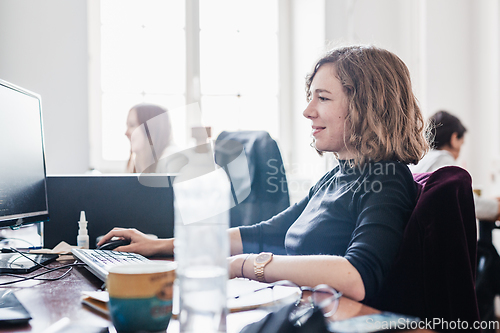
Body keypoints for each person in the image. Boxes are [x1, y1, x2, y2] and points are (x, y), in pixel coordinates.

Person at [98, 45, 429, 303]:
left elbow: (357, 276)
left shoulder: (386, 181)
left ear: (366, 107)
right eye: (309, 96)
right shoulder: (338, 177)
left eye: (323, 98)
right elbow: (262, 233)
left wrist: (246, 266)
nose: (307, 110)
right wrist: (162, 245)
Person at [409, 110, 500, 221]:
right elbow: (468, 203)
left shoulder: (422, 160)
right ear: (454, 138)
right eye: (461, 143)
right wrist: (496, 207)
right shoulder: (444, 163)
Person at [125, 103, 185, 174]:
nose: (126, 133)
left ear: (151, 128)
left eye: (132, 125)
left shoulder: (173, 159)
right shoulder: (138, 161)